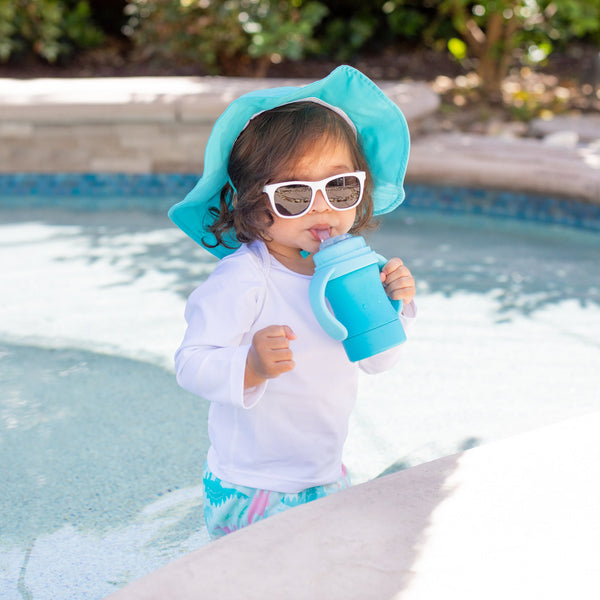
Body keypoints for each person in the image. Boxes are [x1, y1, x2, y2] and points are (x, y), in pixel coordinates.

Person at [169, 65, 416, 539]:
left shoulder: (354, 271)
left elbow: (378, 362)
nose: (322, 206)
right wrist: (250, 365)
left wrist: (396, 308)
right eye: (294, 194)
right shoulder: (246, 278)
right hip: (252, 485)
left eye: (340, 187)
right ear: (250, 203)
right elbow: (190, 362)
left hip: (325, 474)